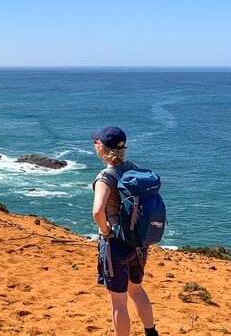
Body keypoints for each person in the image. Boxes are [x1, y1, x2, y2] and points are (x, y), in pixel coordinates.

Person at [91, 126, 159, 336]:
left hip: (116, 244)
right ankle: (151, 333)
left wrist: (104, 231)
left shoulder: (106, 176)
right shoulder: (136, 170)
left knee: (118, 301)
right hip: (139, 241)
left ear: (101, 147)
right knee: (136, 290)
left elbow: (97, 211)